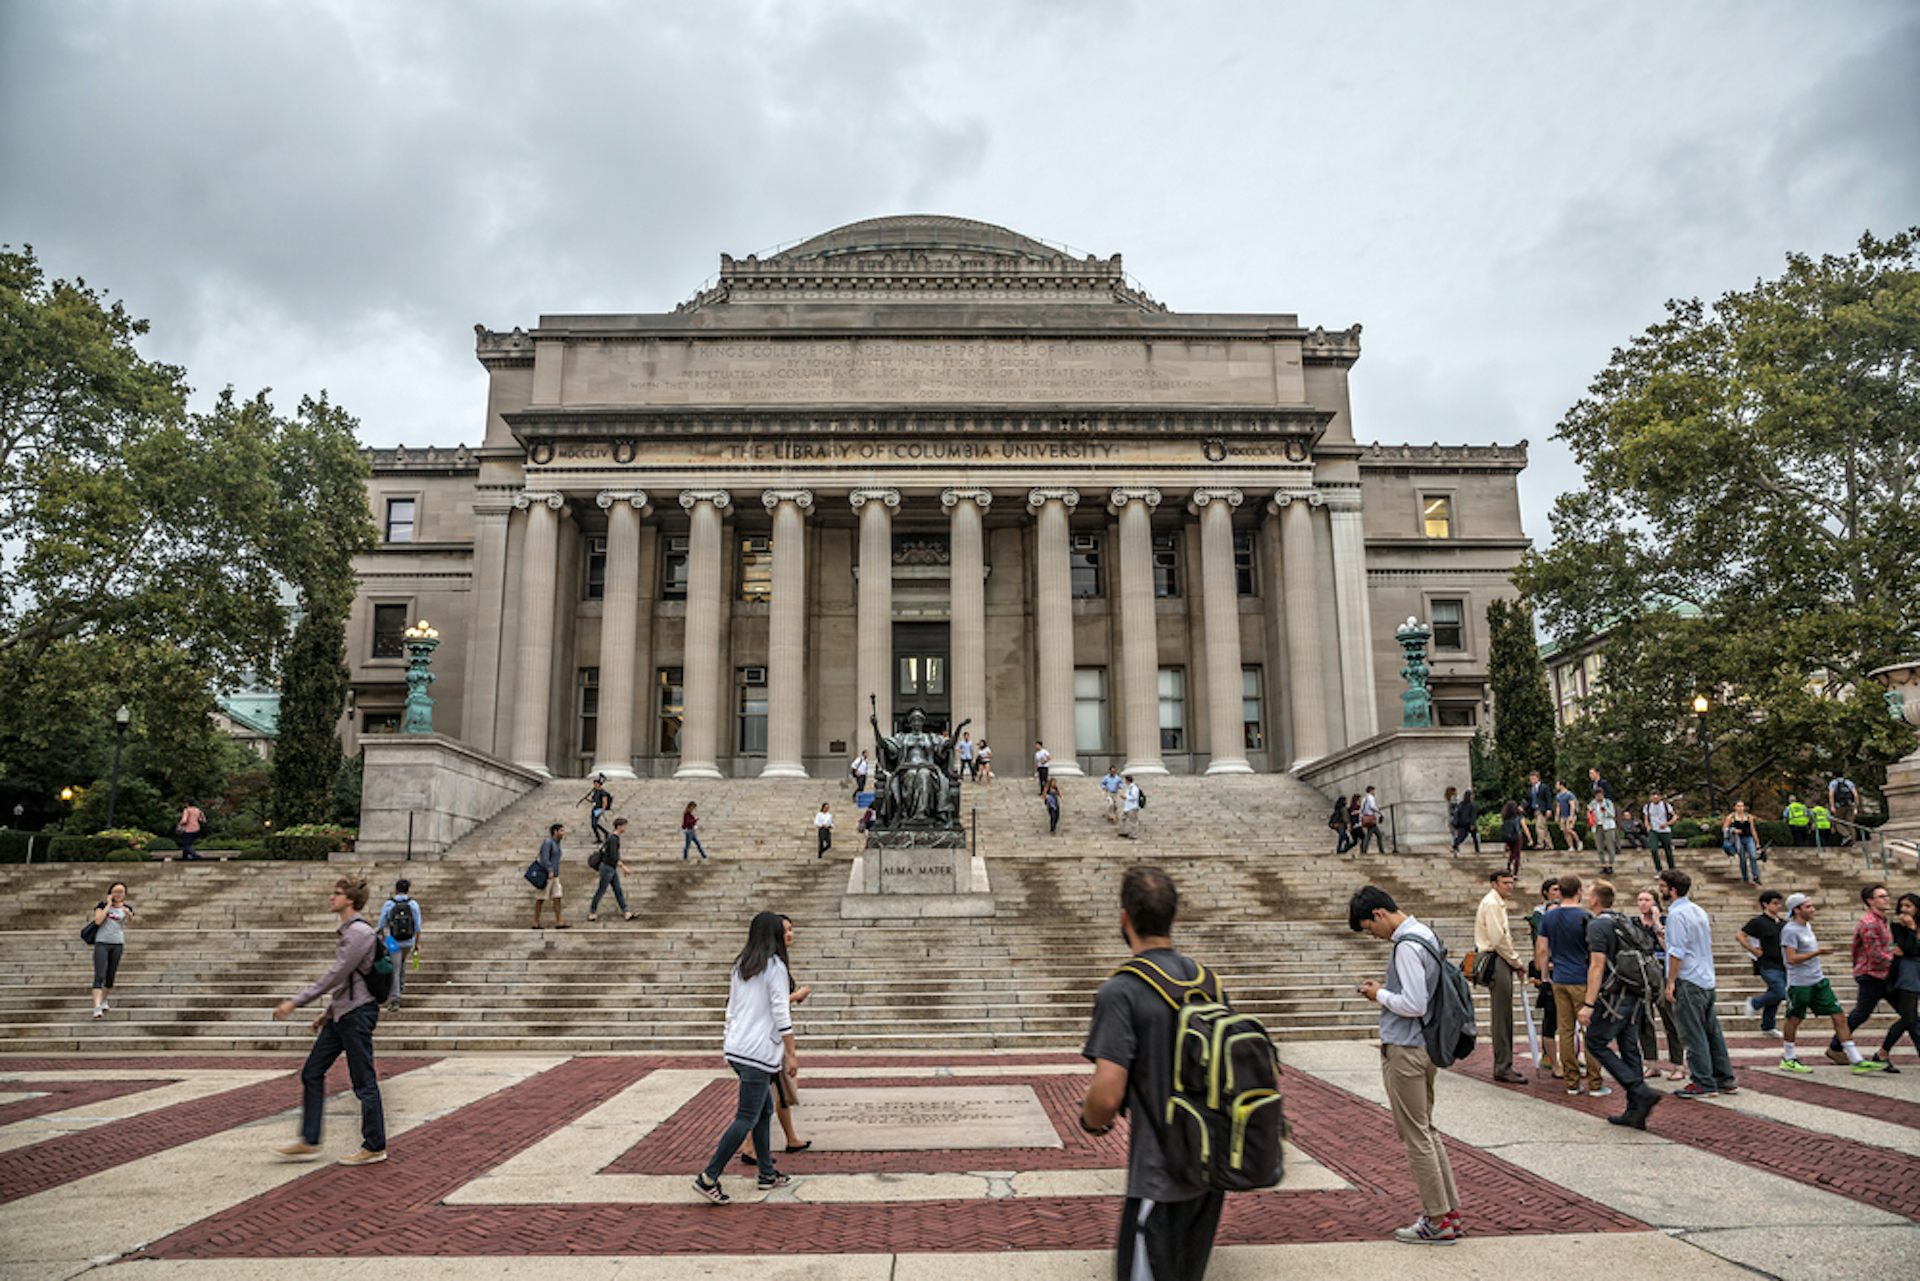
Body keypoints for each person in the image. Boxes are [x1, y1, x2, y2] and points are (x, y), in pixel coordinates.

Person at [1080, 866, 1227, 1276]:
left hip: (1158, 1175)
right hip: (1209, 1172)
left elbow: (1107, 1094)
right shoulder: (1209, 982)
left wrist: (1090, 1122)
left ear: (1124, 917)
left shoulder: (1122, 990)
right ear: (1173, 916)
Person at [1349, 885, 1464, 1245]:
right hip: (1425, 1045)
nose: (1374, 935)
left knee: (1416, 1136)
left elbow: (1413, 1003)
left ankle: (1437, 1219)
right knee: (1427, 1130)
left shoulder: (1406, 945)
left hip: (1406, 1048)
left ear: (1380, 915)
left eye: (1370, 927)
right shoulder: (1425, 933)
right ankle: (1450, 1212)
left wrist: (1378, 994)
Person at [271, 875, 386, 1165]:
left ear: (350, 899)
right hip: (343, 1013)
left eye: (336, 893)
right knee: (312, 1072)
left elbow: (336, 975)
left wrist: (295, 1002)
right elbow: (346, 980)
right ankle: (310, 1140)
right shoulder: (348, 932)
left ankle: (375, 1145)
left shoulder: (359, 933)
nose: (330, 898)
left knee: (363, 1082)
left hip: (358, 1014)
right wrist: (327, 1013)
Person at [692, 911, 797, 1203]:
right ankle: (709, 1176)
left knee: (763, 1110)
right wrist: (791, 1051)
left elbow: (732, 1007)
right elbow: (780, 1011)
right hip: (757, 1051)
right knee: (746, 1117)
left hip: (738, 1048)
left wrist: (729, 1038)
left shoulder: (742, 965)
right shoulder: (774, 967)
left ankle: (766, 1172)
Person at [1574, 879, 1661, 1129]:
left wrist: (1588, 1004)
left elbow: (1597, 964)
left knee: (1595, 1041)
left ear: (1594, 900)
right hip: (1634, 992)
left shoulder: (1598, 925)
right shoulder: (1623, 920)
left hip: (1613, 996)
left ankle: (1638, 1089)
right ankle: (1636, 1110)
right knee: (1629, 1046)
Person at [1777, 893, 1888, 1074]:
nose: (1812, 909)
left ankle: (1856, 1060)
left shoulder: (1807, 926)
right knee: (1794, 1019)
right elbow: (1791, 959)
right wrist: (1817, 952)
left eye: (1812, 906)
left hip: (1818, 981)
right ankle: (1788, 1058)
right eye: (1808, 907)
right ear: (1796, 910)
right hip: (1799, 984)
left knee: (1839, 1017)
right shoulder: (1790, 930)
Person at [742, 915, 815, 1166]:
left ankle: (789, 1139)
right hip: (768, 1042)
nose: (790, 934)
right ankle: (747, 1147)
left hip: (766, 1040)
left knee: (777, 1095)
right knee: (766, 1098)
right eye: (785, 930)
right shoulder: (770, 966)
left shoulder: (772, 963)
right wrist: (797, 995)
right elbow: (770, 1006)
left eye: (792, 929)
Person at [1659, 869, 1737, 1097]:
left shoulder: (1676, 915)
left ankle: (1703, 1081)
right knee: (1712, 1031)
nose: (1661, 890)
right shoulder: (1698, 911)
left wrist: (1671, 981)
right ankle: (1724, 1077)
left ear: (1672, 890)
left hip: (1688, 979)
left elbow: (1676, 952)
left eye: (1663, 887)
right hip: (1705, 978)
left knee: (1692, 1033)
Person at [1536, 873, 1605, 1096]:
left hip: (1560, 978)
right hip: (1581, 977)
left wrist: (1545, 975)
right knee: (1590, 1030)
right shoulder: (1585, 917)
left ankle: (1571, 1082)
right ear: (1579, 891)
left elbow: (1543, 950)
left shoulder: (1549, 917)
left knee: (1565, 1030)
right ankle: (1595, 1082)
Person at [1827, 884, 1896, 1066]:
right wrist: (1897, 962)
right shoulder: (1870, 923)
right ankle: (1835, 1046)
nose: (1886, 899)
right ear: (1870, 901)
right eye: (1881, 896)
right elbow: (1876, 955)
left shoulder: (1882, 921)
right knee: (1861, 1014)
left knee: (1908, 1014)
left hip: (1883, 975)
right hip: (1871, 975)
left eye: (1886, 895)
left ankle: (1837, 1047)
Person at [1474, 870, 1528, 1084]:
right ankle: (1503, 1065)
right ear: (1494, 884)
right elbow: (1498, 939)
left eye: (1511, 882)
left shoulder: (1495, 903)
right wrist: (1516, 961)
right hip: (1496, 960)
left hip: (1498, 959)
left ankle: (1504, 1064)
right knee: (1502, 1015)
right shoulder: (1492, 904)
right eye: (1505, 883)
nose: (1510, 886)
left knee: (1503, 1014)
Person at [1633, 887, 1687, 1081]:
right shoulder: (1633, 924)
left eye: (1647, 899)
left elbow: (1670, 949)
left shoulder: (1666, 922)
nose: (1643, 903)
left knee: (1670, 1020)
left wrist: (1656, 924)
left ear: (1655, 903)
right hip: (1641, 975)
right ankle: (1651, 1062)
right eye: (1640, 899)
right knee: (1644, 1020)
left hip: (1662, 972)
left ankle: (1678, 1064)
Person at [1877, 892, 1920, 1066]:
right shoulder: (1897, 926)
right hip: (1907, 973)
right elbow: (1907, 949)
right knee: (1909, 1017)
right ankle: (1883, 1052)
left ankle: (1882, 1052)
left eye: (1908, 906)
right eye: (1902, 906)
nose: (1904, 910)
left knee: (1910, 1018)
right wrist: (1910, 929)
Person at [1738, 890, 1789, 1037]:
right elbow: (1740, 935)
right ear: (1765, 904)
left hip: (1782, 963)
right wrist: (1753, 950)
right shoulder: (1758, 922)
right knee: (1779, 992)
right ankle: (1754, 1003)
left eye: (1779, 903)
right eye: (1774, 903)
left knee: (1775, 994)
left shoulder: (1783, 923)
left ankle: (1768, 1026)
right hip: (1767, 963)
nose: (1778, 906)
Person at [1528, 878, 1563, 1073]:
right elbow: (1540, 945)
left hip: (1564, 971)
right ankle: (1550, 1056)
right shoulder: (1540, 914)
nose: (1557, 893)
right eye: (1554, 889)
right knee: (1551, 1017)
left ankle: (1568, 1056)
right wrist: (1542, 972)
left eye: (1560, 890)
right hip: (1550, 972)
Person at [89, 881, 133, 1019]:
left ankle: (104, 1000)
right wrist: (108, 905)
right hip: (102, 943)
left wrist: (129, 914)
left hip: (117, 944)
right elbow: (98, 921)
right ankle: (96, 1007)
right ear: (110, 893)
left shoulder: (126, 908)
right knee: (99, 975)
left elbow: (130, 921)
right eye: (116, 891)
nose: (118, 894)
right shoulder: (101, 906)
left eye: (121, 892)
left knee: (110, 976)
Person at [375, 879, 423, 1006]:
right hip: (408, 941)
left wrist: (384, 937)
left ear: (395, 889)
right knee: (401, 963)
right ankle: (400, 986)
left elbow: (381, 925)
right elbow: (418, 926)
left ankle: (395, 998)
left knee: (395, 967)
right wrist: (417, 943)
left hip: (392, 940)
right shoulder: (413, 904)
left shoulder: (389, 904)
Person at [588, 818, 636, 921]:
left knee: (618, 890)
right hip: (607, 868)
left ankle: (626, 912)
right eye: (624, 826)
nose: (625, 828)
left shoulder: (612, 837)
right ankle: (592, 911)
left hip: (610, 868)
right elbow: (613, 857)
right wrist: (623, 867)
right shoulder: (613, 838)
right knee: (601, 890)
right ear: (619, 826)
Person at [532, 822, 567, 930]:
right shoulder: (548, 842)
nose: (563, 833)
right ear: (555, 832)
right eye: (561, 831)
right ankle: (535, 922)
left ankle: (559, 921)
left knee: (557, 897)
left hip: (555, 876)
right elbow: (545, 858)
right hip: (547, 875)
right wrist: (550, 870)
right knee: (540, 898)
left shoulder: (557, 843)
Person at [1723, 801, 1760, 885]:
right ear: (1735, 807)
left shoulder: (1749, 817)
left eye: (1742, 806)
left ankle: (1756, 876)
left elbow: (1753, 829)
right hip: (1737, 839)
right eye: (1738, 806)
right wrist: (1733, 830)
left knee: (1753, 856)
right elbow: (1724, 829)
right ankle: (1745, 877)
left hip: (1748, 837)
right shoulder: (1731, 817)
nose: (1741, 808)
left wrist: (1757, 842)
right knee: (1742, 858)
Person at [1644, 792, 1677, 872]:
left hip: (1665, 830)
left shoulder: (1666, 806)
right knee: (1654, 849)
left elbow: (1674, 816)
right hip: (1654, 830)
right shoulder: (1647, 806)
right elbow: (1646, 818)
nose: (1655, 799)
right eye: (1653, 797)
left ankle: (1672, 868)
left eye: (1657, 797)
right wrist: (1647, 826)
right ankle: (1659, 869)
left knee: (1668, 850)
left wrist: (1667, 823)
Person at [1587, 788, 1618, 875]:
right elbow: (1589, 814)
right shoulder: (1592, 804)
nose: (1599, 797)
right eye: (1597, 795)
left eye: (1600, 794)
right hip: (1597, 826)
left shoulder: (1608, 802)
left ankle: (1610, 865)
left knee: (1610, 846)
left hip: (1608, 826)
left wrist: (1605, 810)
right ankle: (1603, 865)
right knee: (1599, 847)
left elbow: (1613, 815)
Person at [577, 774, 613, 847]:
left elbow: (604, 802)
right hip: (594, 809)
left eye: (596, 784)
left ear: (599, 785)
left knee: (594, 824)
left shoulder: (603, 792)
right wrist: (586, 799)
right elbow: (593, 801)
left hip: (599, 809)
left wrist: (602, 810)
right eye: (594, 784)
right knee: (593, 825)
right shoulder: (595, 792)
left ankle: (604, 834)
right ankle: (602, 835)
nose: (594, 785)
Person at [1828, 773, 1859, 843]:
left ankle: (1846, 835)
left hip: (1840, 806)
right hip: (1850, 805)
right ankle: (1853, 842)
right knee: (1850, 823)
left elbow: (1831, 795)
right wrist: (1855, 807)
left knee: (1836, 821)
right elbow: (1856, 795)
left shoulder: (1833, 783)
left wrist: (1832, 806)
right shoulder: (1849, 782)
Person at [1528, 771, 1554, 851]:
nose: (1531, 780)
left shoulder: (1543, 787)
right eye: (1530, 779)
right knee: (1543, 828)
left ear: (1537, 778)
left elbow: (1548, 798)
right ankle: (1550, 845)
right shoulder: (1532, 789)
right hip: (1535, 809)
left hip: (1542, 809)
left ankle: (1540, 844)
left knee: (1539, 826)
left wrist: (1549, 809)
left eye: (1533, 778)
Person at [1449, 789, 1480, 854]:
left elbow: (1457, 813)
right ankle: (1477, 849)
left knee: (1462, 836)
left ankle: (1455, 845)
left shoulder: (1461, 804)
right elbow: (1473, 815)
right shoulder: (1472, 805)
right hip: (1469, 823)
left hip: (1462, 823)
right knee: (1474, 836)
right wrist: (1472, 824)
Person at [1498, 800, 1523, 877]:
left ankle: (1509, 865)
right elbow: (1522, 827)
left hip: (1508, 837)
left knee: (1512, 852)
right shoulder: (1517, 817)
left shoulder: (1505, 817)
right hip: (1517, 837)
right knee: (1517, 854)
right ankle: (1515, 872)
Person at [1357, 786, 1385, 854]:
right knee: (1378, 835)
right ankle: (1380, 850)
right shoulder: (1371, 797)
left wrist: (1361, 818)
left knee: (1370, 835)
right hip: (1371, 818)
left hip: (1366, 818)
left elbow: (1362, 809)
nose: (1375, 792)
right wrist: (1380, 812)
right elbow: (1372, 806)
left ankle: (1364, 849)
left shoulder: (1364, 798)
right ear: (1371, 791)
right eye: (1374, 791)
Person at [1554, 780, 1578, 853]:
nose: (1556, 786)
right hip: (1563, 816)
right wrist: (1557, 816)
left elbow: (1572, 805)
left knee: (1569, 829)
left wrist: (1571, 815)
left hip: (1569, 815)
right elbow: (1558, 807)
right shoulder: (1558, 796)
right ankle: (1571, 846)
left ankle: (1578, 841)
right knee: (1564, 831)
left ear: (1561, 785)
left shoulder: (1569, 794)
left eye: (1557, 784)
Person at [1119, 774, 1142, 839]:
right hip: (1127, 807)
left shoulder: (1134, 788)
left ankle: (1134, 835)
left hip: (1132, 807)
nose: (1125, 782)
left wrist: (1125, 797)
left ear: (1128, 780)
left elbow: (1134, 797)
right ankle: (1123, 832)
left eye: (1125, 780)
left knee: (1133, 821)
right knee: (1122, 819)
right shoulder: (1129, 787)